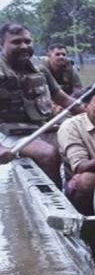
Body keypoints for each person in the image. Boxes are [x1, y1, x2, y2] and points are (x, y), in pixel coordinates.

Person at [0, 23, 84, 184]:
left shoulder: (39, 67)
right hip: (7, 133)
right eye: (16, 42)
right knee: (48, 155)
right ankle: (58, 199)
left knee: (78, 141)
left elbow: (62, 98)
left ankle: (75, 187)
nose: (24, 46)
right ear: (1, 44)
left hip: (41, 126)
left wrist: (88, 113)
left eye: (27, 41)